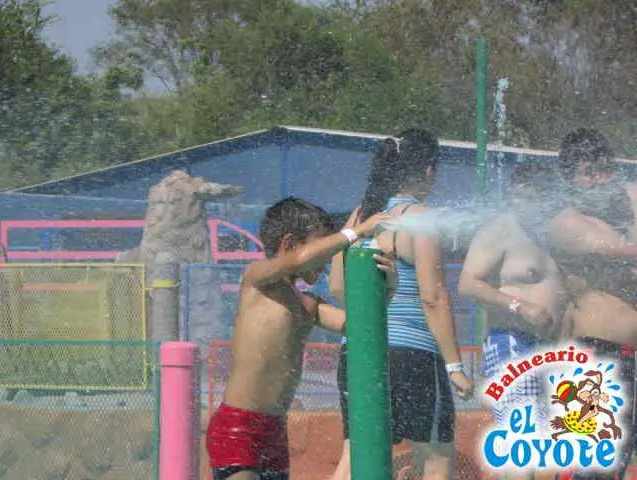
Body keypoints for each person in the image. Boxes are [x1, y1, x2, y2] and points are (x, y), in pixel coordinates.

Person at [206, 197, 397, 480]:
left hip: (274, 431)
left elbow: (362, 327)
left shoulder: (308, 305)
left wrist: (386, 290)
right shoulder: (257, 280)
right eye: (324, 246)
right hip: (238, 427)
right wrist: (354, 233)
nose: (327, 259)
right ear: (290, 244)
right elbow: (299, 260)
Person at [329, 129, 474, 480]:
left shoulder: (361, 215)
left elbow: (336, 286)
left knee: (356, 454)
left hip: (358, 353)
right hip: (412, 355)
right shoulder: (420, 217)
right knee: (435, 457)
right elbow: (433, 296)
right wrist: (455, 366)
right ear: (428, 170)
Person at [458, 161, 568, 475]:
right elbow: (468, 283)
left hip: (547, 347)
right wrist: (521, 306)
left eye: (531, 198)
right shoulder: (499, 231)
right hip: (510, 341)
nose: (522, 204)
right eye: (517, 197)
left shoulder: (549, 235)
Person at [546, 128, 636, 479]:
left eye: (604, 169)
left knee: (615, 467)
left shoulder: (627, 201)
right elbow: (621, 253)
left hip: (626, 356)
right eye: (588, 173)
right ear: (568, 180)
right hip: (597, 356)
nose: (599, 180)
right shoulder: (565, 224)